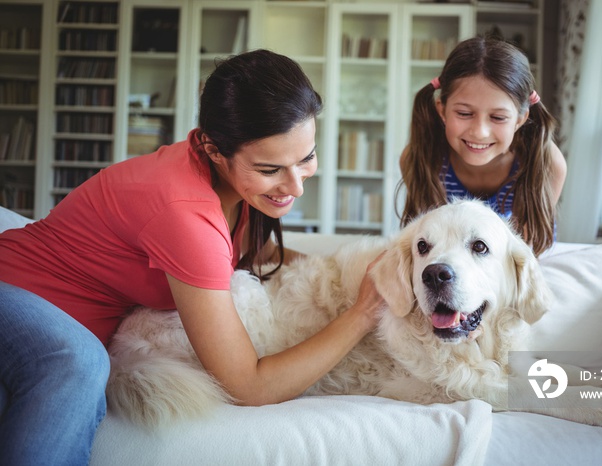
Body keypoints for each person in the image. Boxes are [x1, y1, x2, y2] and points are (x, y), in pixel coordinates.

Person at [0, 49, 384, 465]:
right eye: (271, 169)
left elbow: (257, 252)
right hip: (13, 292)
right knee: (79, 363)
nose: (296, 186)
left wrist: (342, 274)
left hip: (42, 321)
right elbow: (248, 385)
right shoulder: (186, 215)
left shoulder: (226, 187)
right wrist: (362, 314)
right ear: (214, 149)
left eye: (306, 158)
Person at [398, 37, 567, 256]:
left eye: (497, 117)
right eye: (464, 114)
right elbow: (425, 245)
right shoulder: (419, 158)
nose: (479, 132)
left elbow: (524, 254)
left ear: (520, 119)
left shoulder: (547, 163)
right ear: (442, 110)